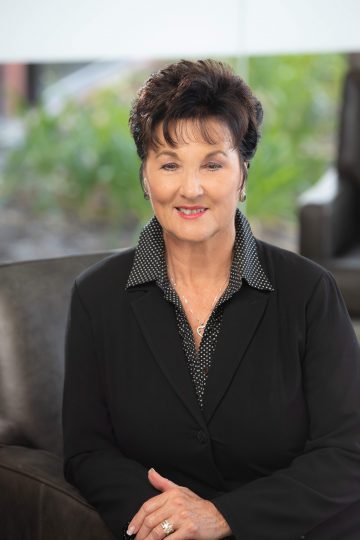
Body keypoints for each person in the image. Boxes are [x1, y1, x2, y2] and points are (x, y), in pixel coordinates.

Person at [62, 59, 360, 540]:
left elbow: (349, 452)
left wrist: (225, 518)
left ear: (242, 177)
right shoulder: (96, 296)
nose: (191, 188)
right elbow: (86, 451)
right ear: (145, 177)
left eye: (213, 163)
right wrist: (168, 519)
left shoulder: (309, 292)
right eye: (170, 163)